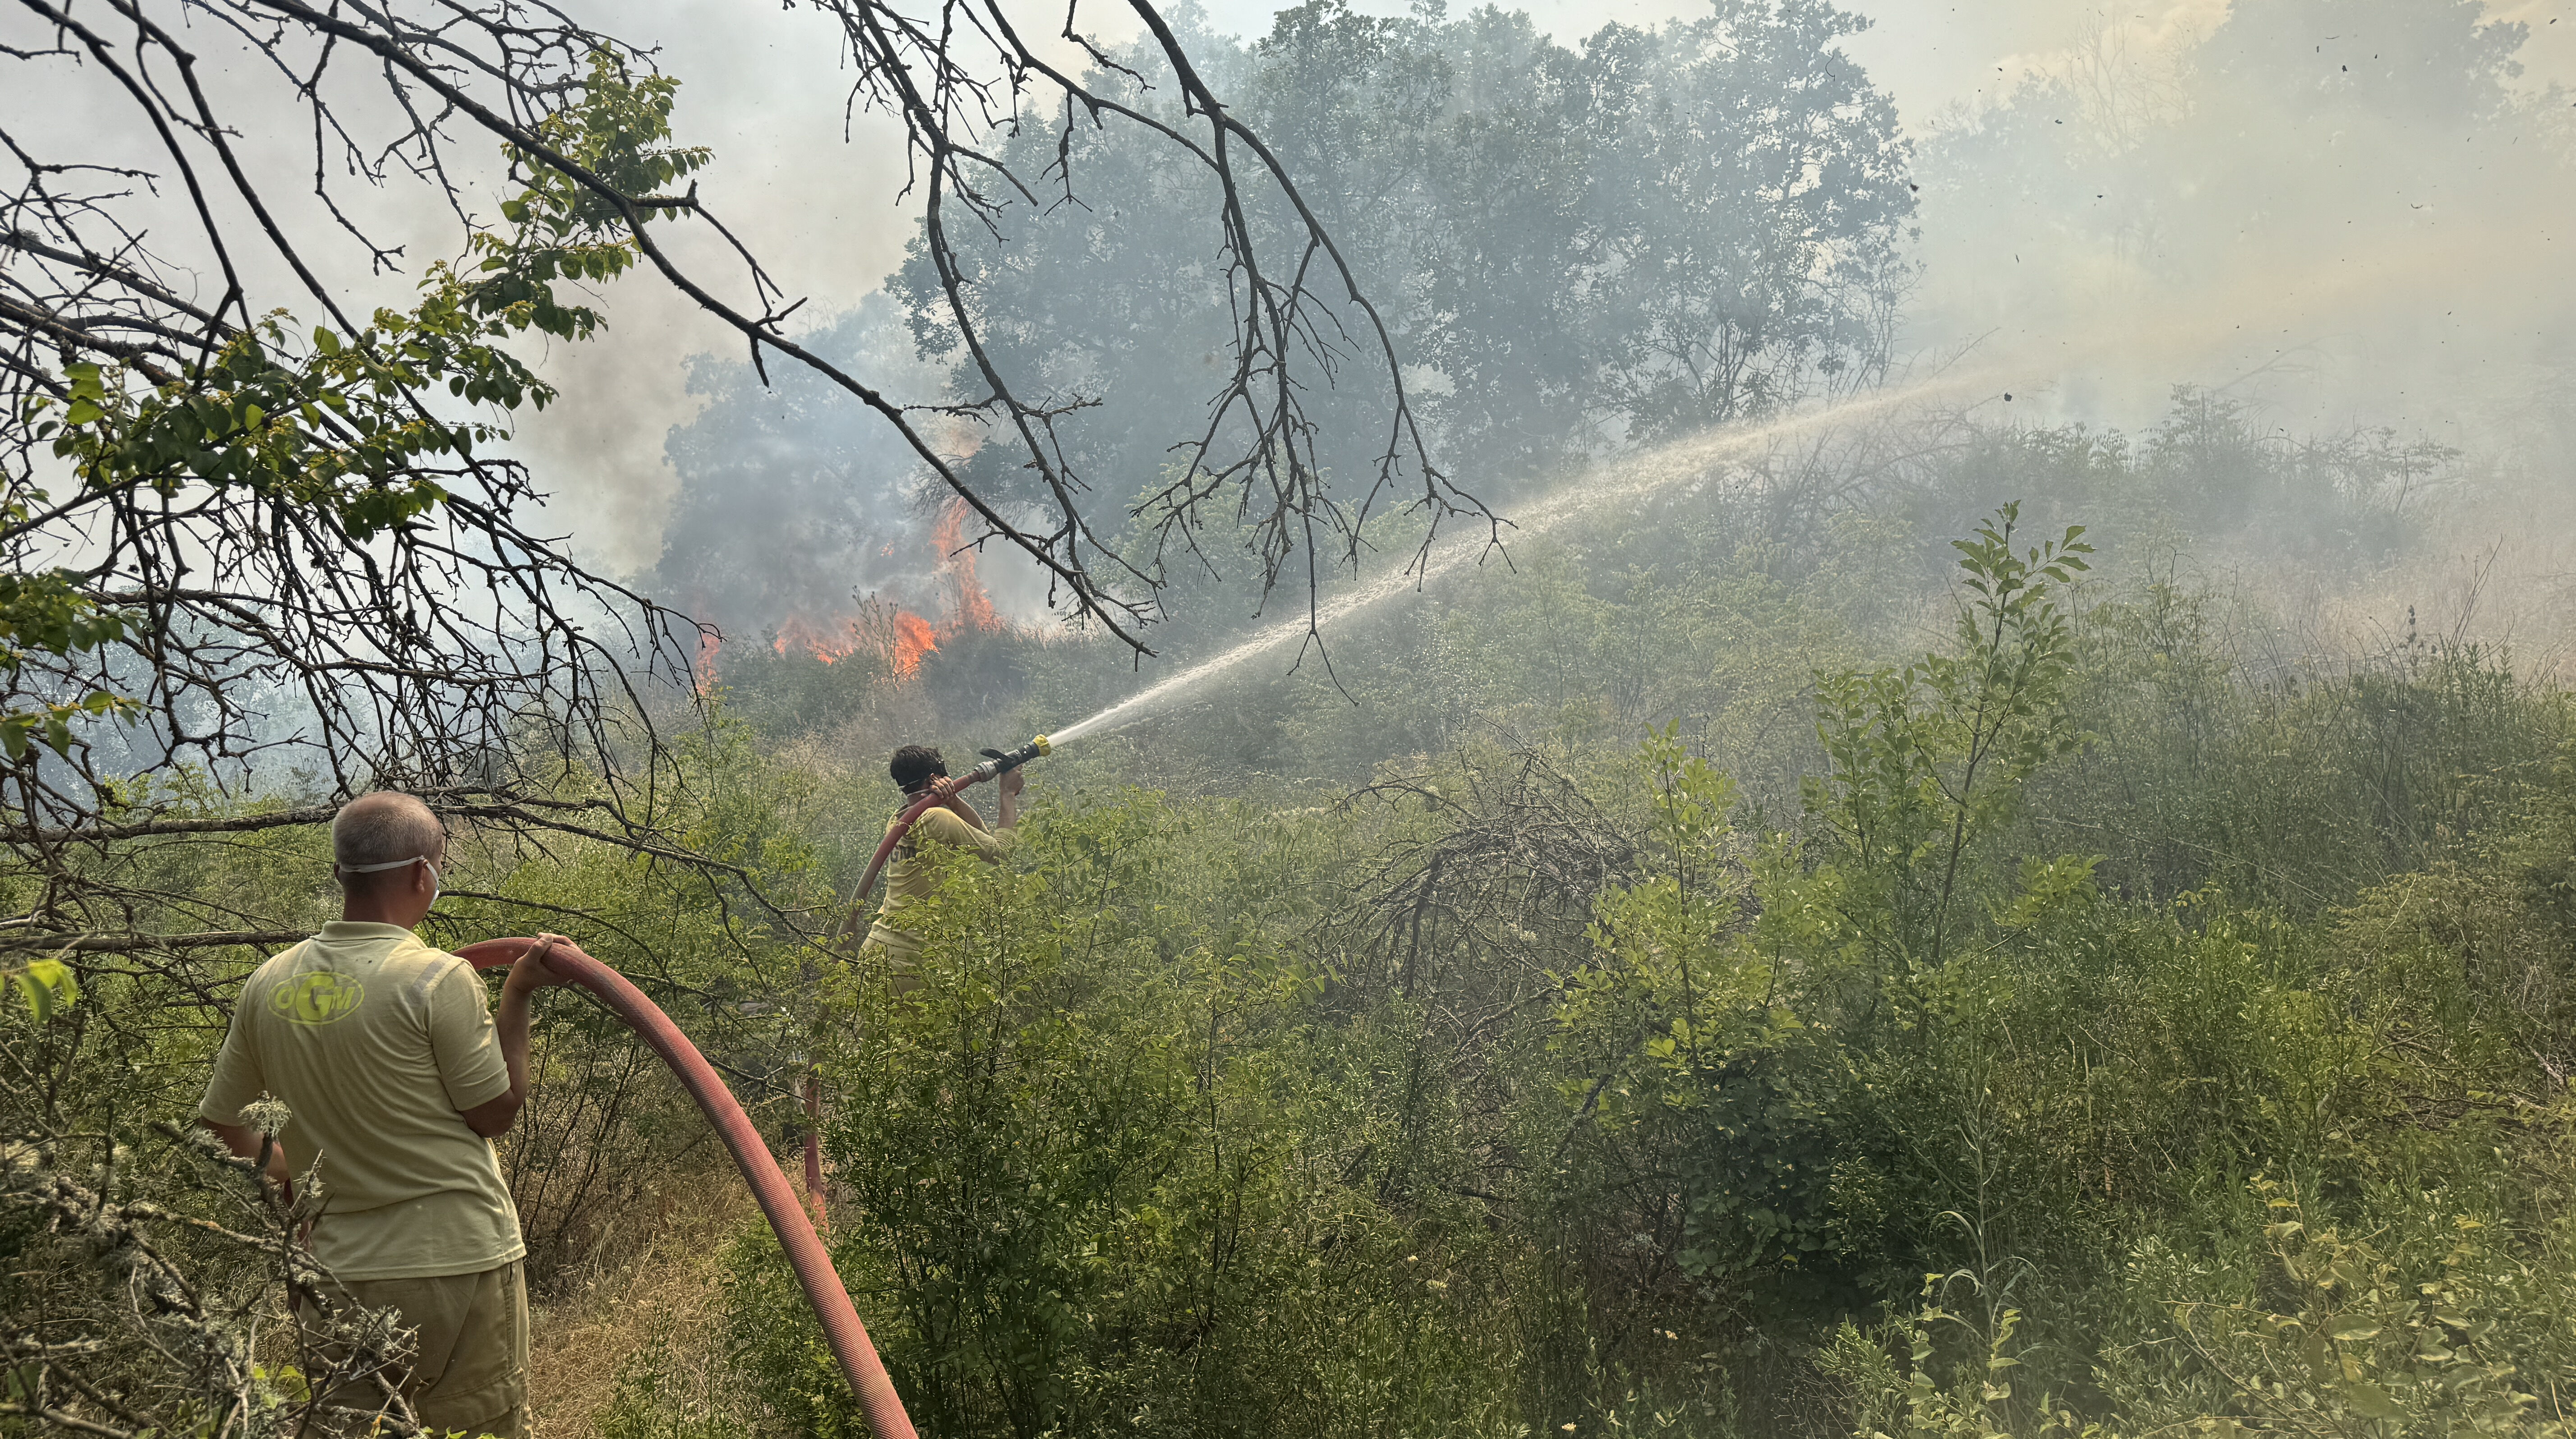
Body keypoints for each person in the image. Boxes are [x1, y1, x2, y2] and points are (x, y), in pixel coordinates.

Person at [198, 791, 570, 1439]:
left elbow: (225, 1124)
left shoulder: (269, 982)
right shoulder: (436, 977)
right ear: (424, 875)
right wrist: (517, 993)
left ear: (340, 873)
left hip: (340, 1274)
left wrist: (304, 1171)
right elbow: (495, 1111)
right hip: (457, 1263)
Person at [855, 743, 1024, 982]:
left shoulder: (898, 820)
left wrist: (953, 801)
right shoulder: (937, 819)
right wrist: (1007, 794)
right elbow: (1001, 854)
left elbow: (982, 837)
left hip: (875, 951)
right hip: (909, 960)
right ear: (935, 777)